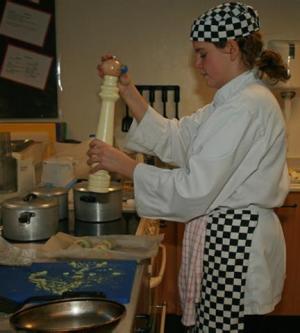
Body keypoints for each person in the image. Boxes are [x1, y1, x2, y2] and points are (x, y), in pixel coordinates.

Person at [87, 2, 290, 332]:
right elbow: (179, 138)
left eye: (202, 53)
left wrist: (126, 167)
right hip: (225, 241)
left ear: (232, 48)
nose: (197, 65)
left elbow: (194, 189)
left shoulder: (246, 106)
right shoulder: (231, 101)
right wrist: (127, 91)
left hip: (235, 247)